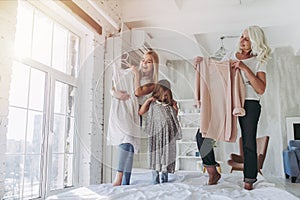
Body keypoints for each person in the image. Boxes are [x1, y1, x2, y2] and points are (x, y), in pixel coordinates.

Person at [194, 25, 271, 190]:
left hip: (249, 102)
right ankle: (212, 170)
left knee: (248, 142)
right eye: (242, 36)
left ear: (255, 42)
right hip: (227, 101)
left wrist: (244, 67)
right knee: (203, 133)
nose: (242, 40)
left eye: (247, 38)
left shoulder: (259, 60)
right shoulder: (229, 56)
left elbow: (261, 89)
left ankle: (249, 179)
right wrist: (202, 65)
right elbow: (215, 74)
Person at [107, 50, 160, 186]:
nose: (144, 63)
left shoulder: (152, 84)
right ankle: (118, 178)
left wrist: (136, 74)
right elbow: (114, 86)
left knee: (130, 147)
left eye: (149, 61)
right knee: (126, 141)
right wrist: (115, 94)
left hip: (136, 115)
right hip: (124, 111)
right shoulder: (131, 73)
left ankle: (125, 181)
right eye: (143, 60)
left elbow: (137, 92)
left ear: (154, 65)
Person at [139, 79, 182, 184]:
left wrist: (176, 108)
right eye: (164, 95)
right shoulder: (153, 103)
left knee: (167, 156)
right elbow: (141, 112)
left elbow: (174, 118)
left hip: (167, 135)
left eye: (168, 95)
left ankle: (164, 177)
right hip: (156, 135)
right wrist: (147, 101)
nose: (166, 97)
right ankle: (155, 177)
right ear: (158, 92)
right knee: (156, 155)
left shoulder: (170, 105)